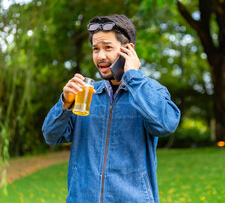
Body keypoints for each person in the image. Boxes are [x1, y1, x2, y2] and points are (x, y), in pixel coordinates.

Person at [42, 14, 181, 203]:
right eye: (95, 49)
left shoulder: (149, 90)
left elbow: (166, 124)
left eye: (108, 47)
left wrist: (133, 77)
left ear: (128, 50)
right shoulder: (87, 93)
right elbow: (51, 135)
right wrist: (65, 104)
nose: (100, 56)